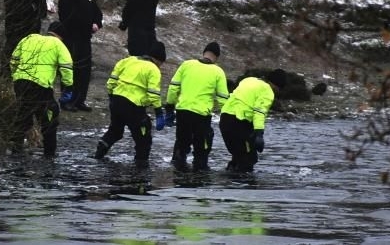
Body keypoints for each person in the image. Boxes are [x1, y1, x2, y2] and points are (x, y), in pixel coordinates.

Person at [94, 41, 167, 168]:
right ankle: (140, 170)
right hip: (134, 107)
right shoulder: (153, 69)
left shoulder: (128, 60)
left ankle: (98, 154)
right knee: (143, 139)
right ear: (159, 60)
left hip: (116, 101)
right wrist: (159, 112)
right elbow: (153, 94)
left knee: (115, 131)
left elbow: (111, 82)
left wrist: (112, 97)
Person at [9, 21, 74, 157]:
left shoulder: (29, 38)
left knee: (23, 114)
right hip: (41, 85)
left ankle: (15, 149)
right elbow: (67, 67)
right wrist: (68, 85)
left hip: (20, 82)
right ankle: (49, 154)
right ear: (61, 36)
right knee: (49, 117)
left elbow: (14, 59)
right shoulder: (58, 45)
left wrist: (16, 76)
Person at [165, 41, 229, 171]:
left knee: (181, 144)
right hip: (201, 116)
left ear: (204, 52)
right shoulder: (218, 71)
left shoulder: (186, 64)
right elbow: (223, 98)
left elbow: (173, 88)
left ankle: (177, 176)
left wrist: (169, 107)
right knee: (201, 151)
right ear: (216, 57)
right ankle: (199, 179)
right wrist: (227, 115)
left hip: (182, 111)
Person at [219, 69, 287, 173]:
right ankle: (245, 186)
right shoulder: (268, 91)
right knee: (249, 159)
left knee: (238, 156)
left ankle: (230, 181)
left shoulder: (249, 80)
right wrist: (259, 134)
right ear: (277, 85)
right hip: (238, 122)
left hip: (224, 119)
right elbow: (259, 112)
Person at [57, 0, 103, 112]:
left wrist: (96, 23)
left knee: (85, 71)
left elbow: (98, 13)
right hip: (71, 38)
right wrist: (86, 25)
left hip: (85, 39)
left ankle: (80, 100)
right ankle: (67, 100)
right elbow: (66, 17)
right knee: (70, 70)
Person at [3, 0, 47, 74]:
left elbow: (42, 13)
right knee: (8, 62)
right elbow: (10, 11)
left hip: (31, 34)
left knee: (29, 63)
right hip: (14, 33)